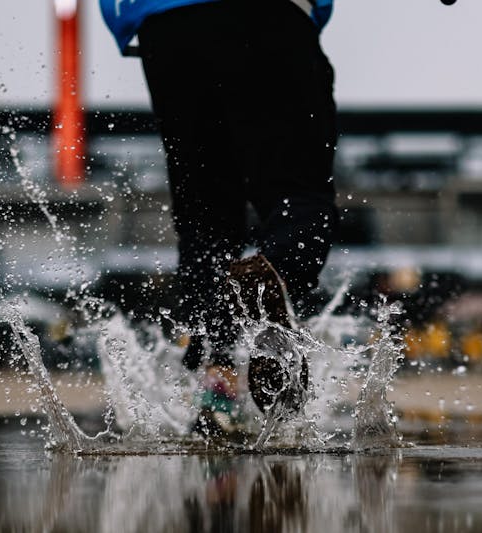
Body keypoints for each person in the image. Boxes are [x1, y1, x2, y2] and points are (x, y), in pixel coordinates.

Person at [101, 0, 338, 437]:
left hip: (166, 30)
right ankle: (274, 273)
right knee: (299, 198)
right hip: (268, 17)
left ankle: (217, 391)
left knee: (205, 226)